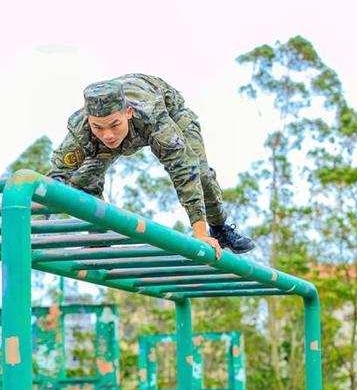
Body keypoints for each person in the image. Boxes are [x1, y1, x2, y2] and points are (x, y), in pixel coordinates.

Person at [48, 73, 255, 259]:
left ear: (127, 112)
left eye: (114, 125)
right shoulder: (82, 130)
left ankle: (220, 229)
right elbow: (56, 177)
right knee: (81, 179)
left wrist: (199, 233)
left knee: (200, 174)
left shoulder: (153, 117)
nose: (107, 134)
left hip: (169, 111)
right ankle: (98, 235)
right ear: (89, 120)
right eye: (98, 127)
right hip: (122, 129)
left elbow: (183, 169)